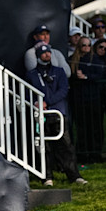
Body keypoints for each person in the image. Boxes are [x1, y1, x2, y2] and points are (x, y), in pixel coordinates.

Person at [27, 44, 87, 186]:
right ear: (38, 56)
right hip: (40, 115)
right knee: (43, 146)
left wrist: (46, 102)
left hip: (58, 113)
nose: (47, 55)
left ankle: (74, 175)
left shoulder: (59, 72)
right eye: (44, 53)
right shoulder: (32, 74)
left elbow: (63, 91)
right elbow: (28, 92)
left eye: (48, 52)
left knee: (65, 145)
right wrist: (37, 102)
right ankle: (46, 177)